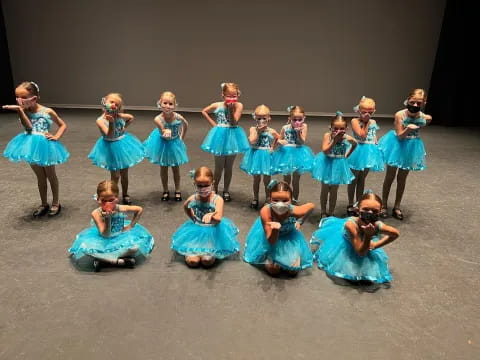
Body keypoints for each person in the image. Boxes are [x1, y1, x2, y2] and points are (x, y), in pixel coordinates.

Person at [3, 81, 69, 216]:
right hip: (30, 146)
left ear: (34, 97)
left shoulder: (47, 111)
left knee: (51, 175)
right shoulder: (23, 111)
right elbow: (28, 127)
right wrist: (20, 111)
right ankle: (44, 203)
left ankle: (56, 202)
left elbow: (62, 125)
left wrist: (56, 136)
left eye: (23, 98)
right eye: (17, 98)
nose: (20, 101)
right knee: (40, 177)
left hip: (46, 146)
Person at [311, 191, 399, 284]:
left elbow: (395, 233)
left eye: (374, 211)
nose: (369, 213)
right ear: (357, 210)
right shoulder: (350, 225)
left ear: (380, 212)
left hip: (364, 244)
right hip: (350, 245)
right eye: (365, 209)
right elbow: (360, 252)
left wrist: (376, 245)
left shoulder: (377, 225)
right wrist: (368, 236)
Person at [69, 180, 154, 272]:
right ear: (98, 199)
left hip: (120, 236)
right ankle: (119, 261)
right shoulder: (96, 213)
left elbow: (139, 209)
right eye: (103, 201)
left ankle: (105, 261)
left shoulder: (119, 208)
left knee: (134, 248)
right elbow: (105, 234)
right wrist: (108, 219)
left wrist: (130, 226)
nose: (107, 204)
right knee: (87, 250)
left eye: (111, 200)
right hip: (103, 240)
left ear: (116, 198)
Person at [378, 89, 432, 219]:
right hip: (397, 145)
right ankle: (384, 205)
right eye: (412, 102)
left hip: (411, 147)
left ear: (424, 103)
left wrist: (425, 118)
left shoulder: (422, 116)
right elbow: (400, 136)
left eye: (418, 103)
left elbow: (427, 119)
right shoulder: (400, 115)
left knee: (402, 179)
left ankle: (397, 206)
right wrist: (409, 128)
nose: (414, 106)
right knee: (390, 176)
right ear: (407, 100)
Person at [171, 166, 240, 268]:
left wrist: (212, 215)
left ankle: (208, 253)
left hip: (213, 231)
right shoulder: (193, 198)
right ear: (194, 184)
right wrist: (192, 217)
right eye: (199, 186)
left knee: (207, 261)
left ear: (212, 183)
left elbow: (218, 218)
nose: (203, 189)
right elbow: (185, 206)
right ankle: (193, 253)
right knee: (192, 262)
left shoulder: (217, 199)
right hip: (196, 230)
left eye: (206, 185)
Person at [243, 180, 314, 276]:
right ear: (270, 199)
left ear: (291, 200)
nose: (280, 204)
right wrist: (275, 229)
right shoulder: (266, 212)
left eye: (285, 200)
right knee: (273, 270)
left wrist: (299, 222)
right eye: (275, 200)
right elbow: (271, 241)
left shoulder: (295, 211)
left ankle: (290, 257)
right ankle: (270, 257)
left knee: (293, 270)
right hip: (271, 241)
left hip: (289, 238)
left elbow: (311, 206)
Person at [88, 93, 145, 204]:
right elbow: (109, 135)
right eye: (111, 102)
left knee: (124, 173)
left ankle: (125, 194)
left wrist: (124, 126)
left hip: (122, 144)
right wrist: (111, 123)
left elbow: (131, 118)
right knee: (115, 175)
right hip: (111, 147)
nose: (114, 105)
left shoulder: (118, 116)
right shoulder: (100, 120)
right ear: (105, 102)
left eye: (117, 104)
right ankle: (113, 195)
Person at [200, 82, 249, 201]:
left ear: (238, 95)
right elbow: (204, 111)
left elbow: (234, 123)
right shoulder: (217, 105)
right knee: (218, 167)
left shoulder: (239, 106)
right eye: (229, 96)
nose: (232, 98)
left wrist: (231, 110)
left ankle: (226, 190)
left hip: (233, 137)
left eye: (234, 96)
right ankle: (215, 188)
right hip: (219, 137)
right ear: (223, 95)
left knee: (229, 167)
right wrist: (215, 126)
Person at [143, 91, 189, 201]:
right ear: (160, 103)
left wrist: (181, 137)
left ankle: (177, 189)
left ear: (175, 105)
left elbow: (186, 125)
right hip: (162, 144)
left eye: (170, 104)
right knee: (163, 168)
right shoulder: (158, 119)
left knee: (175, 168)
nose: (167, 106)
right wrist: (165, 131)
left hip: (174, 143)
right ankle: (165, 190)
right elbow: (162, 129)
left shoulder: (178, 117)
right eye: (165, 103)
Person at [311, 111, 357, 217]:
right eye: (335, 128)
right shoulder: (328, 136)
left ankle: (331, 212)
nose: (338, 131)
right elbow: (325, 151)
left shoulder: (347, 138)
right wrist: (335, 140)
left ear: (346, 129)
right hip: (327, 163)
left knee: (334, 190)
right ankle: (323, 211)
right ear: (330, 128)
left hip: (339, 165)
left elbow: (355, 144)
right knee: (325, 188)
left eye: (341, 129)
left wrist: (347, 155)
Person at [347, 97, 384, 215]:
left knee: (362, 179)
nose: (367, 114)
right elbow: (362, 135)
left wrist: (376, 143)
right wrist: (367, 122)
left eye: (370, 112)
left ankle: (359, 202)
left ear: (374, 111)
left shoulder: (373, 122)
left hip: (369, 152)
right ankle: (350, 203)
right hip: (357, 151)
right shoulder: (355, 121)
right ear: (358, 111)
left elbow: (373, 135)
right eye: (364, 112)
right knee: (354, 179)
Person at [271, 105, 315, 203]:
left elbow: (302, 142)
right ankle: (286, 198)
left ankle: (295, 199)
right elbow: (279, 138)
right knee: (286, 178)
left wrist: (298, 132)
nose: (297, 122)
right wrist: (279, 142)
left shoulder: (304, 127)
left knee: (296, 180)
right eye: (294, 119)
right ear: (289, 119)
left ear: (304, 119)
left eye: (300, 119)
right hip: (286, 154)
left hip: (298, 153)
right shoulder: (285, 127)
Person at [240, 104, 280, 209]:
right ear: (255, 118)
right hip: (256, 154)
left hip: (266, 155)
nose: (261, 120)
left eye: (264, 118)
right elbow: (252, 141)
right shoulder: (253, 129)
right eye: (259, 118)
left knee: (267, 179)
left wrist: (272, 147)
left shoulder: (271, 130)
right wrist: (258, 131)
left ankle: (268, 198)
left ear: (269, 118)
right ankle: (255, 198)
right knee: (256, 179)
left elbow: (278, 138)